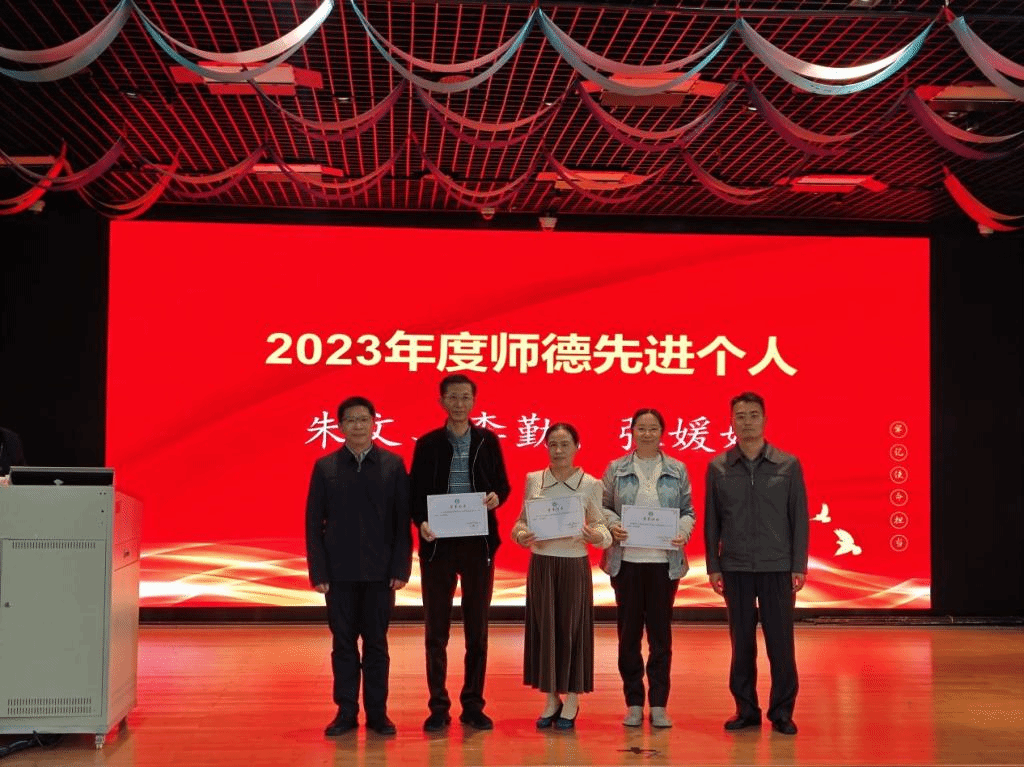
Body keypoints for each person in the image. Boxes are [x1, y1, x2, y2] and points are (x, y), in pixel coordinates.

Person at [305, 396, 412, 737]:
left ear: (374, 423)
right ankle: (346, 712)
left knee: (377, 645)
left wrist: (401, 568)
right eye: (350, 420)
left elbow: (402, 522)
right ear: (339, 426)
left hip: (380, 574)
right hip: (339, 575)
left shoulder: (393, 465)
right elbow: (313, 524)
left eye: (363, 419)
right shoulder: (326, 467)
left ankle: (378, 714)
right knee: (343, 645)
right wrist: (318, 571)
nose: (357, 425)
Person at [410, 374, 511, 732]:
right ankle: (438, 706)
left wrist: (496, 497)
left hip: (477, 544)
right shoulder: (428, 444)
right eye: (452, 397)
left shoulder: (487, 440)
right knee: (436, 630)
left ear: (474, 401)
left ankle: (473, 704)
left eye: (465, 397)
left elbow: (503, 486)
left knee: (477, 629)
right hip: (438, 543)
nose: (459, 404)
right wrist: (421, 522)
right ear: (441, 401)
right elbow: (414, 493)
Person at [704, 392, 808, 736]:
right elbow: (712, 522)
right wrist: (714, 566)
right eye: (740, 416)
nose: (746, 421)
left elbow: (799, 518)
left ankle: (782, 712)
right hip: (735, 568)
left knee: (781, 643)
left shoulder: (787, 464)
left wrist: (798, 564)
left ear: (764, 419)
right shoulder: (719, 467)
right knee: (742, 644)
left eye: (753, 415)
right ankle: (745, 709)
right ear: (731, 421)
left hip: (777, 566)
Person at [511, 423, 611, 730]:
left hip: (572, 565)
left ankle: (573, 698)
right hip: (541, 565)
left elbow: (603, 528)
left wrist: (596, 536)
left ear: (577, 447)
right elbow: (520, 524)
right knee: (545, 631)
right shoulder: (534, 480)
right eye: (552, 444)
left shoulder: (590, 484)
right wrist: (522, 535)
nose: (558, 451)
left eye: (565, 444)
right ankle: (551, 697)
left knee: (571, 631)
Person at [600, 408, 695, 729]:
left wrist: (682, 531)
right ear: (631, 431)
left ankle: (658, 704)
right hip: (626, 563)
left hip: (663, 565)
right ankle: (633, 702)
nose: (647, 434)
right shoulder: (616, 468)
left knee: (660, 637)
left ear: (662, 433)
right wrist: (613, 525)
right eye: (641, 428)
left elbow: (688, 511)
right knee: (628, 637)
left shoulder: (677, 469)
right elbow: (603, 508)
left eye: (653, 428)